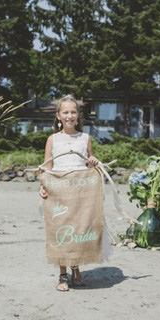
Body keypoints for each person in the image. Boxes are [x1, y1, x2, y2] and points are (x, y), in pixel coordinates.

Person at [39, 95, 103, 292]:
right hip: (59, 190)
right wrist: (43, 185)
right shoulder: (53, 139)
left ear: (78, 116)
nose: (69, 116)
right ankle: (62, 273)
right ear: (58, 115)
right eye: (65, 112)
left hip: (80, 191)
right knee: (60, 227)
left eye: (73, 112)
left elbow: (88, 162)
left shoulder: (84, 138)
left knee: (79, 227)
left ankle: (76, 266)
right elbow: (47, 166)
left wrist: (93, 161)